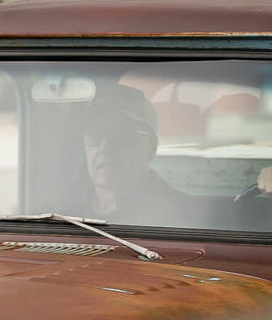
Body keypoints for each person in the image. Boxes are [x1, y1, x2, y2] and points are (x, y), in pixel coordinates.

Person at [72, 82, 194, 223]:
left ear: (150, 149)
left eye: (121, 136)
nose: (106, 147)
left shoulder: (181, 215)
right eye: (95, 135)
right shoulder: (63, 210)